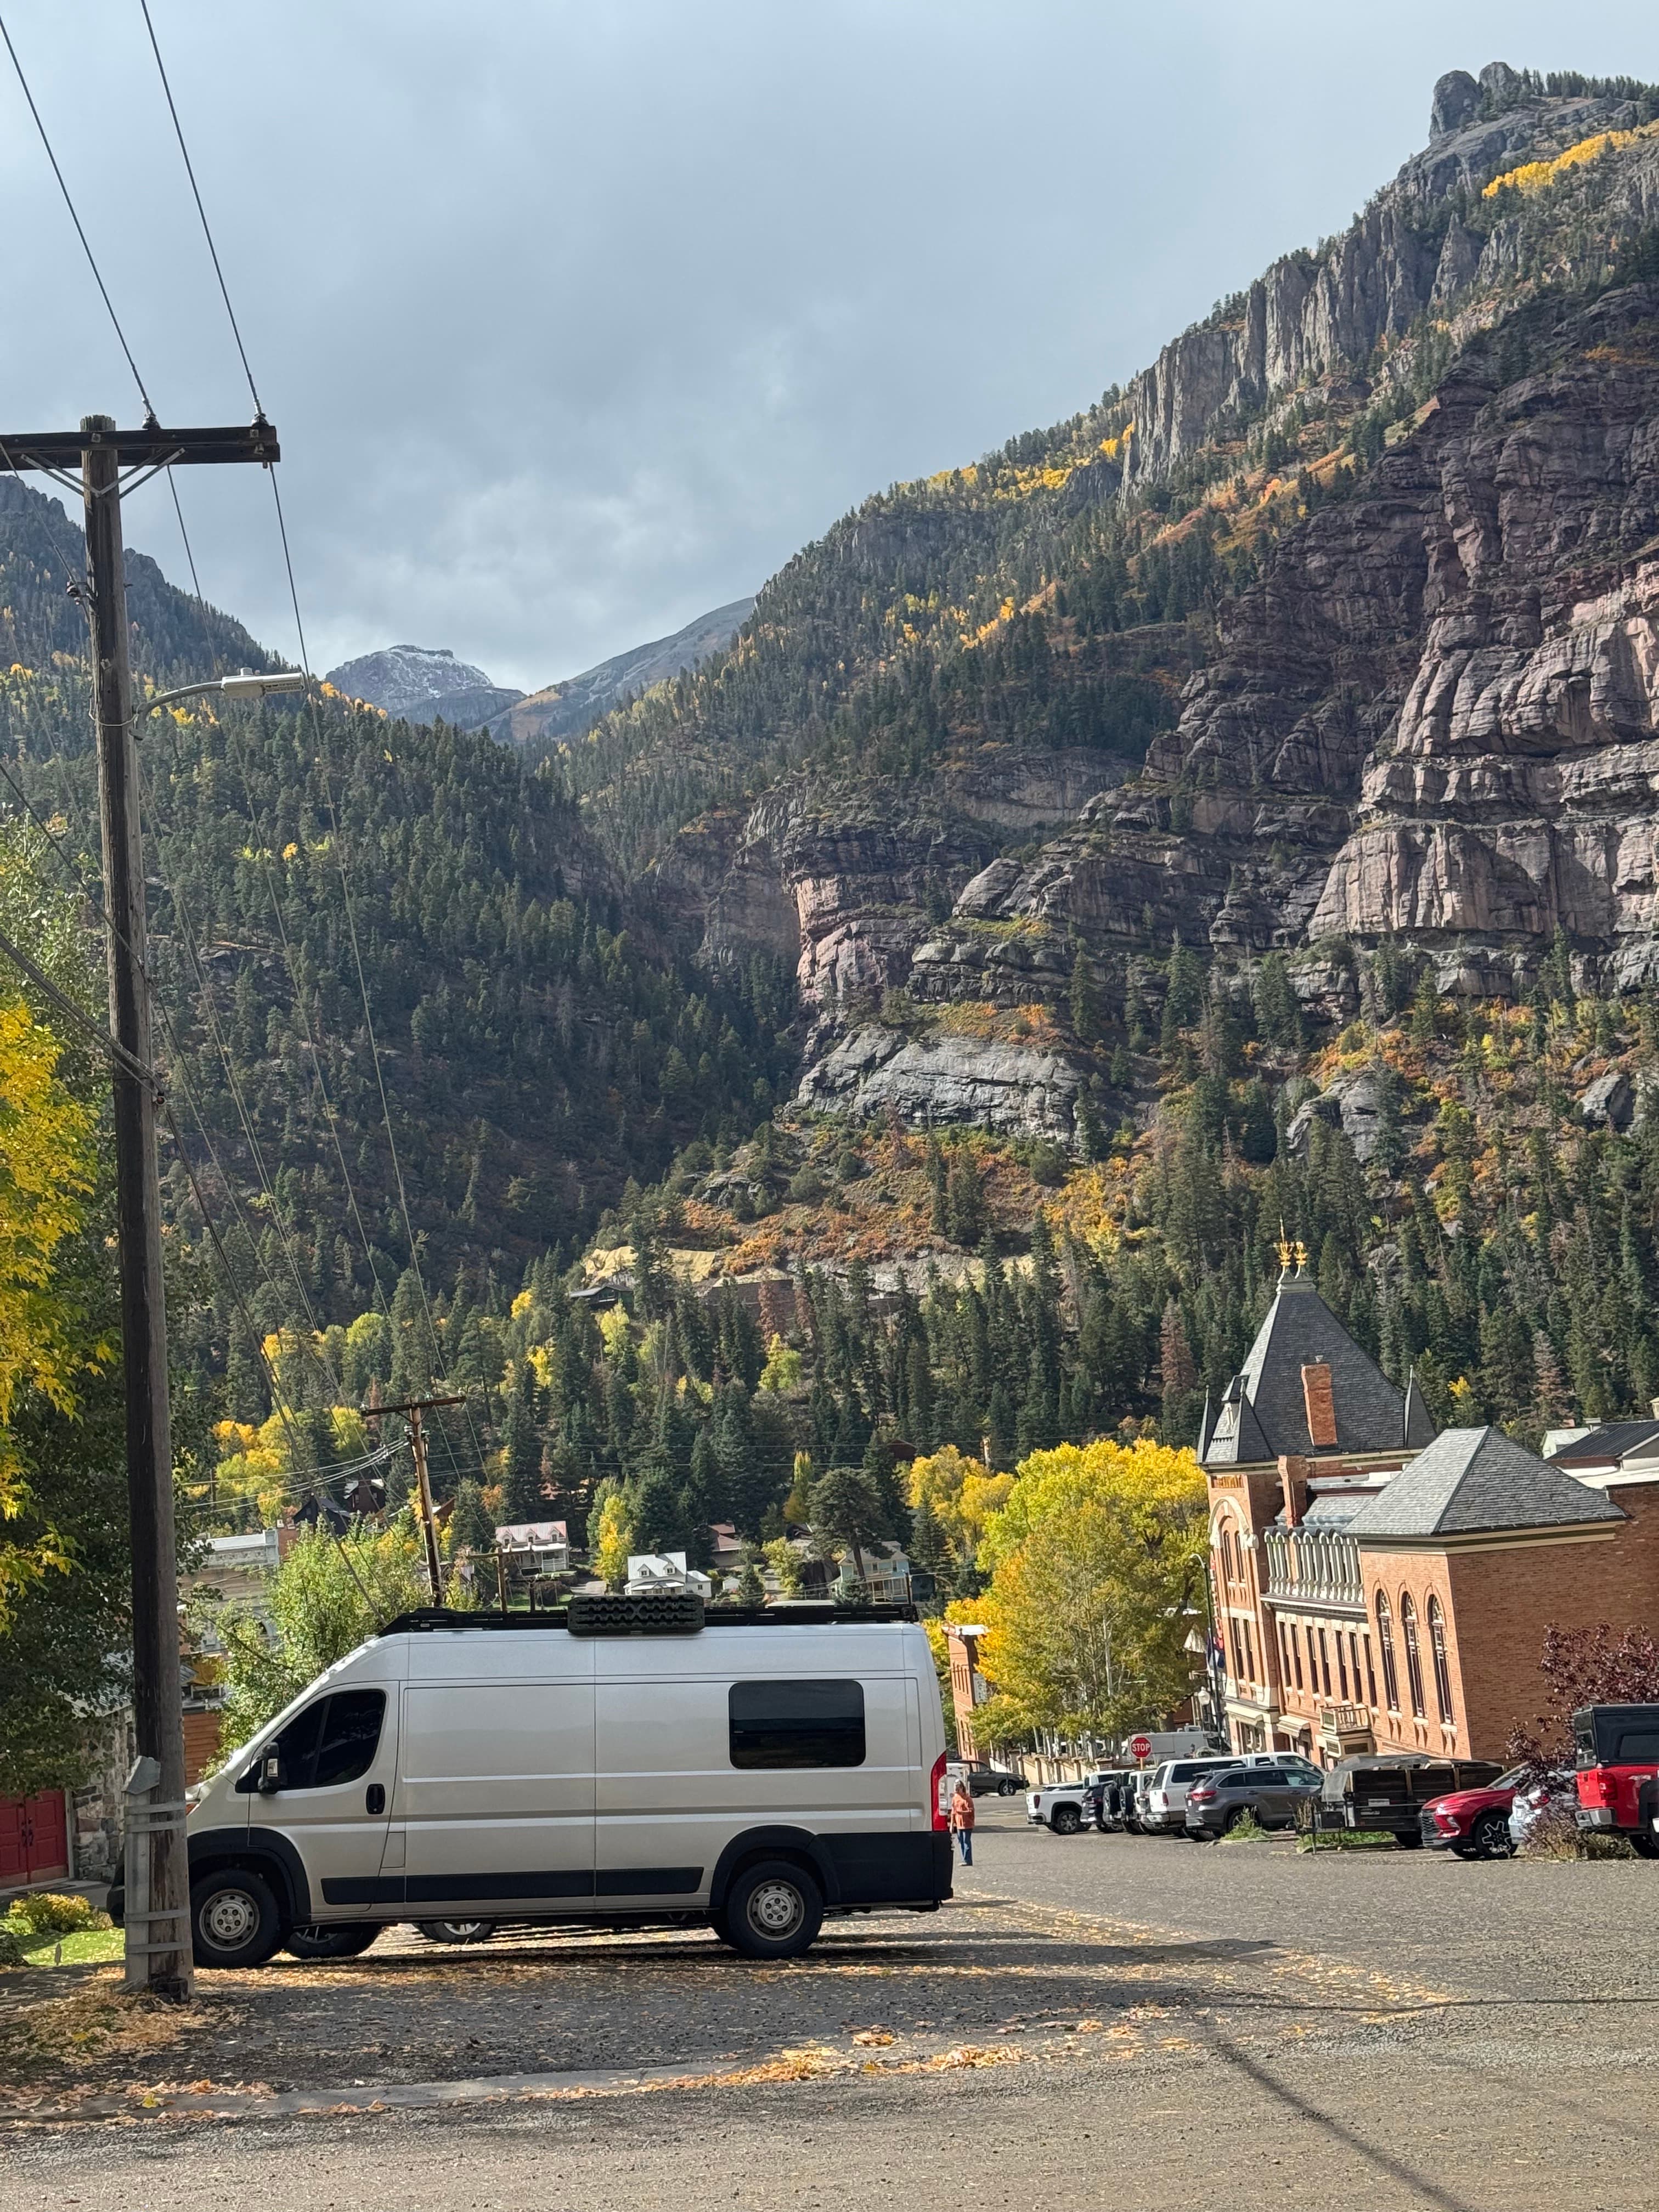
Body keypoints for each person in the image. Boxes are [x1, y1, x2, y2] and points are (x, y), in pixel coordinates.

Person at [950, 1779, 975, 1865]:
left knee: (966, 1841)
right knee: (961, 1842)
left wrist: (963, 1813)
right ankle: (965, 1859)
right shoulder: (955, 1798)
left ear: (962, 1788)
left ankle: (968, 1860)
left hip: (967, 1824)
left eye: (958, 1790)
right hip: (959, 1824)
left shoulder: (967, 1799)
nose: (957, 1792)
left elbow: (971, 1811)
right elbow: (953, 1812)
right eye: (955, 1790)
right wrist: (952, 1825)